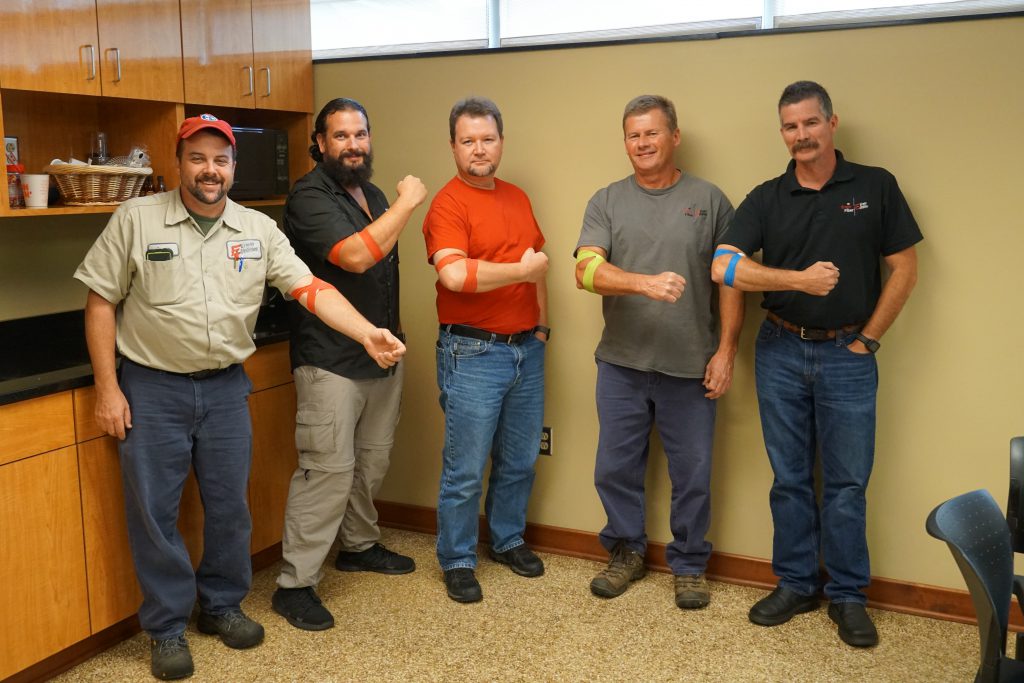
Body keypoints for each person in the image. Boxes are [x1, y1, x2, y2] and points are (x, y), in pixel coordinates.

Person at [74, 114, 405, 681]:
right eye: (198, 158)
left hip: (226, 386)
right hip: (152, 387)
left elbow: (311, 289)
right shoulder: (137, 218)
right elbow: (101, 301)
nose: (210, 170)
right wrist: (108, 388)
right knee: (155, 513)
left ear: (233, 167)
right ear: (179, 163)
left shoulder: (257, 229)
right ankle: (167, 627)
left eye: (220, 160)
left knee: (230, 507)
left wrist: (365, 332)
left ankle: (222, 607)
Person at [712, 81, 921, 648]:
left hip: (848, 353)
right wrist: (795, 280)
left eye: (809, 123)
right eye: (789, 126)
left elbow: (904, 267)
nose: (800, 136)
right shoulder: (766, 197)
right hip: (779, 349)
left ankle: (849, 596)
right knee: (791, 479)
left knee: (848, 484)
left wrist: (869, 340)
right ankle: (797, 583)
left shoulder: (875, 186)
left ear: (832, 123)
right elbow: (724, 267)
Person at [574, 95, 742, 610]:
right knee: (615, 467)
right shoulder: (606, 200)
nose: (642, 144)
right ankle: (626, 550)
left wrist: (726, 351)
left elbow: (731, 282)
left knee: (692, 473)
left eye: (651, 133)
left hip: (690, 365)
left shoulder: (710, 201)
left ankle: (689, 565)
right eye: (632, 135)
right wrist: (644, 284)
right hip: (622, 363)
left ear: (674, 136)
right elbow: (584, 271)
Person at [271, 98, 427, 631]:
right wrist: (409, 203)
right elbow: (355, 257)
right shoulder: (309, 196)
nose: (353, 145)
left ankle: (359, 545)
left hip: (381, 355)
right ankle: (295, 584)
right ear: (320, 144)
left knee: (370, 463)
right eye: (340, 136)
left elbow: (382, 274)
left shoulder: (373, 194)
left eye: (360, 133)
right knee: (327, 473)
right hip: (330, 361)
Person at [422, 96, 550, 603]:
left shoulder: (517, 197)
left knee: (519, 460)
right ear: (453, 145)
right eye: (468, 140)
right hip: (471, 353)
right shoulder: (447, 204)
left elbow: (540, 264)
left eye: (488, 139)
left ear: (502, 141)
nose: (479, 149)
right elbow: (454, 274)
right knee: (465, 469)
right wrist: (520, 272)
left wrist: (542, 328)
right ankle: (456, 558)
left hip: (526, 351)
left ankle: (508, 539)